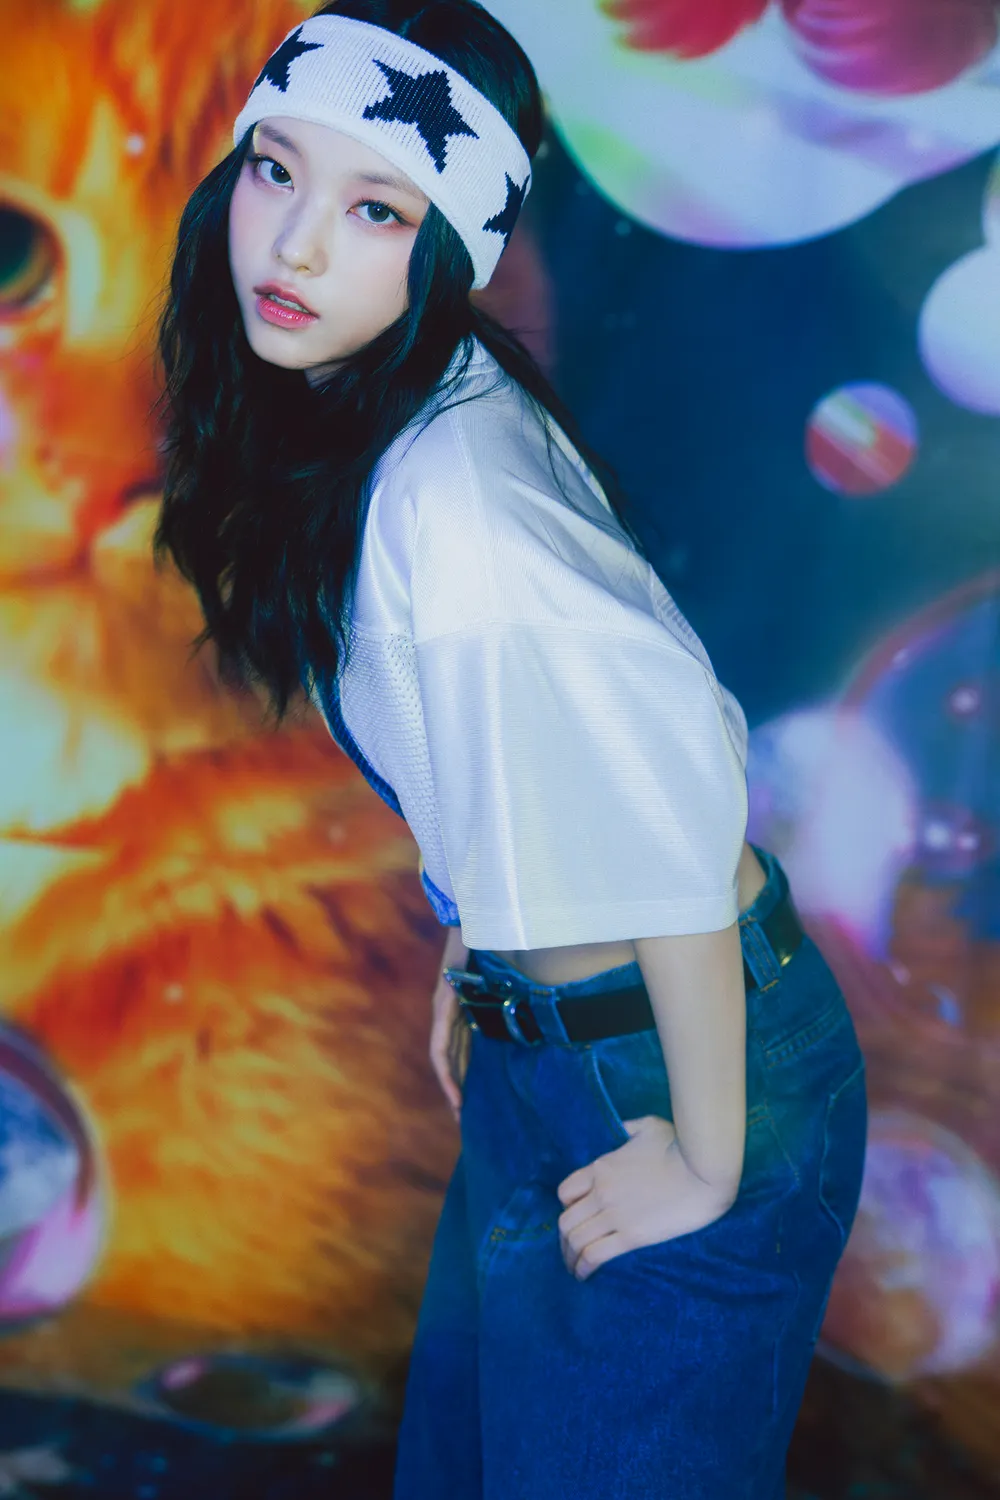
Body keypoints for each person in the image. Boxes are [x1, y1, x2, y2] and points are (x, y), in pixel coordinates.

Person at [152, 0, 869, 1493]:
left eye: (376, 208)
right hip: (557, 1047)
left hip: (675, 1067)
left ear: (448, 248)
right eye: (276, 170)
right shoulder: (393, 402)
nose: (294, 246)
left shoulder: (457, 506)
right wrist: (479, 924)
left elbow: (673, 803)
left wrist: (707, 1157)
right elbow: (512, 740)